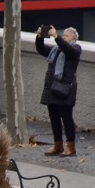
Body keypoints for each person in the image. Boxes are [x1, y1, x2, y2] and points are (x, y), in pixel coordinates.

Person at [35, 25, 82, 157]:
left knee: (67, 118)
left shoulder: (75, 49)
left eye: (66, 35)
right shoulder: (55, 50)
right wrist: (39, 37)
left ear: (73, 38)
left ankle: (71, 146)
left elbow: (68, 50)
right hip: (52, 88)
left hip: (66, 89)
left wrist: (56, 36)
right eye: (63, 35)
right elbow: (41, 49)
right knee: (54, 117)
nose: (63, 37)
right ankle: (58, 145)